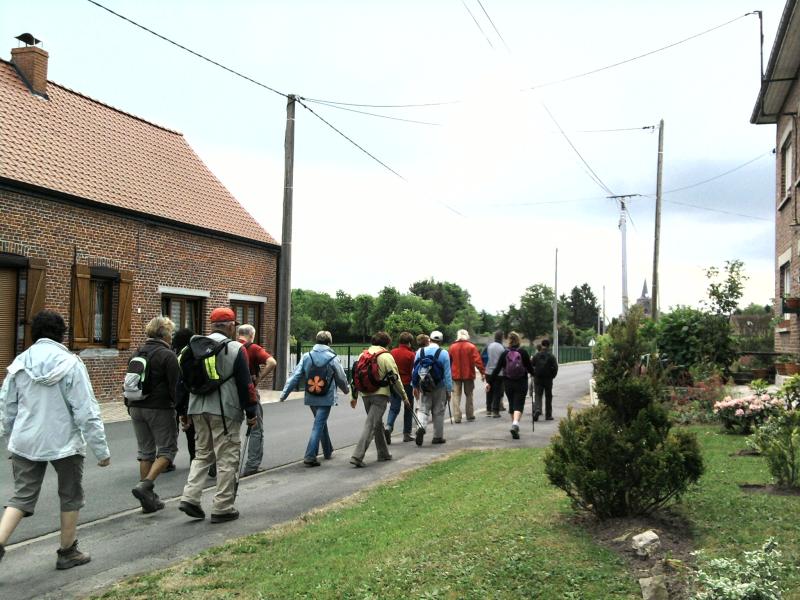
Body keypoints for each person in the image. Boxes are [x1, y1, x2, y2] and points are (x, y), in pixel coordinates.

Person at [0, 310, 110, 568]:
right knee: (70, 495)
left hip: (25, 441)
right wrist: (101, 450)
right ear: (62, 334)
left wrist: (6, 432)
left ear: (33, 333)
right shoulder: (71, 364)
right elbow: (86, 410)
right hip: (65, 443)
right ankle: (67, 551)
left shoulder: (19, 363)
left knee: (22, 496)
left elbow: (7, 406)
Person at [176, 307, 257, 523]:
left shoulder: (192, 347)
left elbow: (181, 382)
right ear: (231, 325)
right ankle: (223, 506)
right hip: (225, 410)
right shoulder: (236, 349)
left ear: (212, 325)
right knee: (227, 457)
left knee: (202, 454)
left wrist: (183, 412)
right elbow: (245, 384)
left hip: (197, 408)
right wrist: (251, 411)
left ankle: (190, 497)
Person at [127, 316, 180, 514]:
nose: (172, 337)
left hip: (135, 407)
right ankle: (146, 485)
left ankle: (147, 501)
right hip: (159, 408)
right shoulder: (167, 355)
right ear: (165, 334)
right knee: (168, 450)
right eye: (171, 333)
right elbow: (175, 386)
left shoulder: (137, 352)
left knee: (145, 452)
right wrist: (182, 411)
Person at [280, 330, 349, 466]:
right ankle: (310, 456)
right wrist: (346, 390)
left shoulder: (307, 356)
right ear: (329, 342)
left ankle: (328, 450)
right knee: (318, 424)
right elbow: (341, 377)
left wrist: (284, 394)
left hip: (311, 395)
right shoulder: (333, 357)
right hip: (326, 396)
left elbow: (296, 376)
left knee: (320, 422)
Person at [350, 331, 409, 467]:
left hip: (365, 394)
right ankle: (357, 456)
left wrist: (353, 396)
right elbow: (395, 378)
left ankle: (383, 453)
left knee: (377, 424)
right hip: (380, 394)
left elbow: (355, 376)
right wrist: (404, 397)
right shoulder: (386, 356)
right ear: (387, 343)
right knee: (371, 425)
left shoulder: (362, 355)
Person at [237, 324, 277, 476]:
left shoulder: (231, 346)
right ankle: (252, 466)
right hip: (249, 392)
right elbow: (272, 362)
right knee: (255, 429)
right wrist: (259, 378)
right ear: (251, 335)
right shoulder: (253, 348)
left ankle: (222, 467)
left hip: (230, 394)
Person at [487, 331, 534, 440]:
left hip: (508, 382)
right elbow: (530, 368)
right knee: (519, 404)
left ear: (509, 341)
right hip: (521, 382)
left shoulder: (505, 353)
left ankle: (514, 424)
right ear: (519, 341)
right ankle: (515, 424)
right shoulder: (523, 352)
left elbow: (497, 369)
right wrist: (534, 375)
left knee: (512, 404)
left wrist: (489, 382)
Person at [412, 330, 453, 446]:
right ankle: (437, 437)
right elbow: (447, 374)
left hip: (423, 385)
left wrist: (414, 385)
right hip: (439, 386)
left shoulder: (420, 351)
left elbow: (414, 369)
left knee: (423, 409)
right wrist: (449, 390)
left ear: (429, 339)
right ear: (440, 341)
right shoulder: (444, 353)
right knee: (438, 411)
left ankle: (420, 426)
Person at [448, 329, 485, 423]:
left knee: (456, 396)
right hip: (468, 374)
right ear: (466, 335)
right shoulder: (471, 346)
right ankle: (470, 415)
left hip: (455, 375)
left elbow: (448, 362)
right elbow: (478, 361)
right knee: (469, 395)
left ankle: (457, 417)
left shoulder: (452, 347)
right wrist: (482, 372)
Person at [386, 331, 416, 443]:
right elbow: (412, 372)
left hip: (394, 383)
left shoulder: (392, 352)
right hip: (407, 384)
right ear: (409, 343)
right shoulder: (411, 355)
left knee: (394, 407)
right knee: (408, 408)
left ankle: (388, 427)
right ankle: (406, 434)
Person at [172, 328, 195, 463]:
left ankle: (168, 461)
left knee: (173, 432)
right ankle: (195, 460)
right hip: (188, 400)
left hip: (172, 399)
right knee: (193, 434)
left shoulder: (173, 353)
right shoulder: (189, 354)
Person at [531, 339, 559, 421]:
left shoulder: (536, 355)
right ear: (549, 346)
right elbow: (555, 368)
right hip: (548, 379)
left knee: (538, 395)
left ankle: (537, 409)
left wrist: (534, 374)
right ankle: (548, 415)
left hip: (538, 379)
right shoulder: (551, 356)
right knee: (548, 396)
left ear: (542, 345)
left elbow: (531, 365)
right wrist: (552, 376)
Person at [484, 330, 506, 418]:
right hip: (499, 373)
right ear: (501, 337)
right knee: (497, 392)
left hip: (488, 371)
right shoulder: (502, 348)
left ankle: (488, 409)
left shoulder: (489, 346)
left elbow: (483, 357)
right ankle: (495, 411)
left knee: (489, 390)